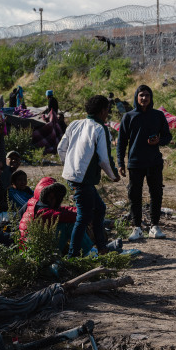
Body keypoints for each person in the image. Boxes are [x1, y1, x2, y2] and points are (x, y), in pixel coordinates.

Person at [57, 95, 120, 257]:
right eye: (107, 109)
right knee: (83, 217)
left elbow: (60, 148)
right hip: (82, 180)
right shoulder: (100, 128)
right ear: (102, 111)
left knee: (99, 209)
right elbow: (104, 158)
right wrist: (114, 176)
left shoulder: (75, 124)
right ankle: (73, 255)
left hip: (73, 176)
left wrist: (69, 165)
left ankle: (102, 247)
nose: (107, 113)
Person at [117, 85, 172, 241]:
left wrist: (158, 141)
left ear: (151, 97)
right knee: (135, 195)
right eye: (141, 95)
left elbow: (168, 137)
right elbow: (121, 142)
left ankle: (154, 227)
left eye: (147, 95)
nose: (144, 98)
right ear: (136, 97)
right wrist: (120, 162)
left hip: (154, 161)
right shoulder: (128, 116)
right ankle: (137, 228)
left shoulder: (158, 115)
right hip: (135, 162)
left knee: (156, 193)